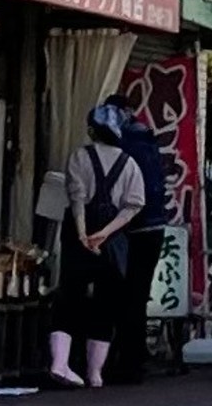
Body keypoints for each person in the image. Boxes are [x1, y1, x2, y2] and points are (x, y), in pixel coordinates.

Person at [49, 104, 145, 389]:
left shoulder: (79, 156)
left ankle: (59, 363)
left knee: (69, 296)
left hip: (77, 235)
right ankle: (94, 374)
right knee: (107, 304)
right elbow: (134, 206)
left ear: (92, 130)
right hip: (112, 239)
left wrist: (82, 233)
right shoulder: (129, 163)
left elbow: (76, 197)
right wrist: (104, 233)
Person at [103, 93, 170, 384]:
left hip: (129, 227)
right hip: (154, 226)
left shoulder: (121, 142)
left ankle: (123, 362)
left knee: (121, 295)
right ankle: (134, 359)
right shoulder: (148, 139)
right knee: (138, 296)